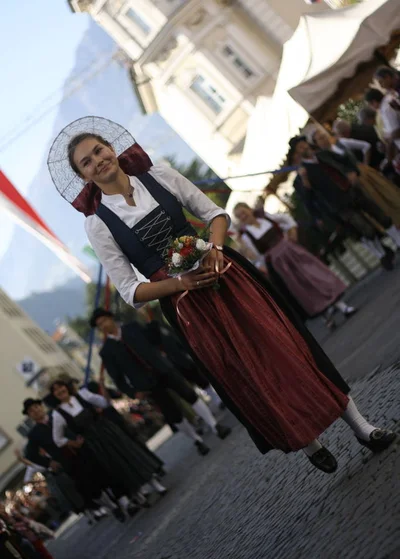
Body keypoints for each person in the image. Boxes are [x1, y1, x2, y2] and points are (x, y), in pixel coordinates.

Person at [47, 117, 396, 475]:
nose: (97, 160)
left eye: (98, 150)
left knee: (290, 345)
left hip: (227, 275)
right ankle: (309, 441)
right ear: (84, 177)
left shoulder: (160, 175)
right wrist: (180, 284)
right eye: (86, 162)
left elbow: (213, 213)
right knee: (250, 371)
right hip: (188, 307)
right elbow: (130, 290)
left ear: (112, 148)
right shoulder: (98, 223)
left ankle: (361, 426)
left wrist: (213, 249)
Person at [89, 308, 231, 452]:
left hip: (164, 369)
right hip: (147, 384)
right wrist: (132, 392)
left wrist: (150, 321)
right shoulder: (106, 351)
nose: (103, 325)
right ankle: (197, 440)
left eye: (104, 321)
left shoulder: (132, 327)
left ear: (111, 317)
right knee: (173, 414)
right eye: (99, 325)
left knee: (190, 395)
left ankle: (215, 426)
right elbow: (117, 378)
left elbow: (154, 339)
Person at [50, 380, 167, 515]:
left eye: (61, 387)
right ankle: (138, 496)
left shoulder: (83, 395)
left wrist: (100, 400)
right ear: (54, 395)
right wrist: (74, 443)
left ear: (66, 387)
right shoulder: (57, 415)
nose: (59, 391)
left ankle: (156, 485)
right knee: (118, 468)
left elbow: (105, 403)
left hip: (108, 432)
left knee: (131, 456)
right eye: (56, 390)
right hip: (94, 444)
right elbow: (57, 439)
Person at [233, 202, 356, 328]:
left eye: (243, 212)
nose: (243, 216)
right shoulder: (246, 236)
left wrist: (292, 233)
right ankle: (326, 317)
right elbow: (256, 257)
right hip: (278, 263)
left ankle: (342, 306)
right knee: (301, 288)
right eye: (239, 216)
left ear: (250, 209)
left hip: (292, 251)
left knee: (316, 276)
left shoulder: (266, 217)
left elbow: (286, 219)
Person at [291, 135, 396, 270]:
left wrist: (352, 172)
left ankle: (396, 242)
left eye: (303, 143)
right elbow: (308, 199)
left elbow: (347, 161)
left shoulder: (324, 155)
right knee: (365, 230)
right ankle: (382, 254)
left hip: (352, 192)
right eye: (300, 147)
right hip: (339, 205)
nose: (304, 147)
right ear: (297, 153)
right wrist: (305, 181)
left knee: (382, 217)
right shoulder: (300, 177)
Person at [22, 398, 104, 522]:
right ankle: (94, 506)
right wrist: (48, 463)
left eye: (36, 407)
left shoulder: (56, 415)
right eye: (31, 411)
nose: (36, 411)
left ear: (42, 407)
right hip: (64, 460)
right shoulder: (34, 433)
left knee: (97, 472)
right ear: (30, 416)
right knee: (81, 484)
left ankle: (108, 498)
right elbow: (30, 454)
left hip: (79, 449)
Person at [325, 123, 400, 228]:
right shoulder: (325, 157)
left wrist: (364, 165)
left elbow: (366, 146)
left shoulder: (340, 143)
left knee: (388, 194)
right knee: (379, 203)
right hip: (357, 183)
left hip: (364, 174)